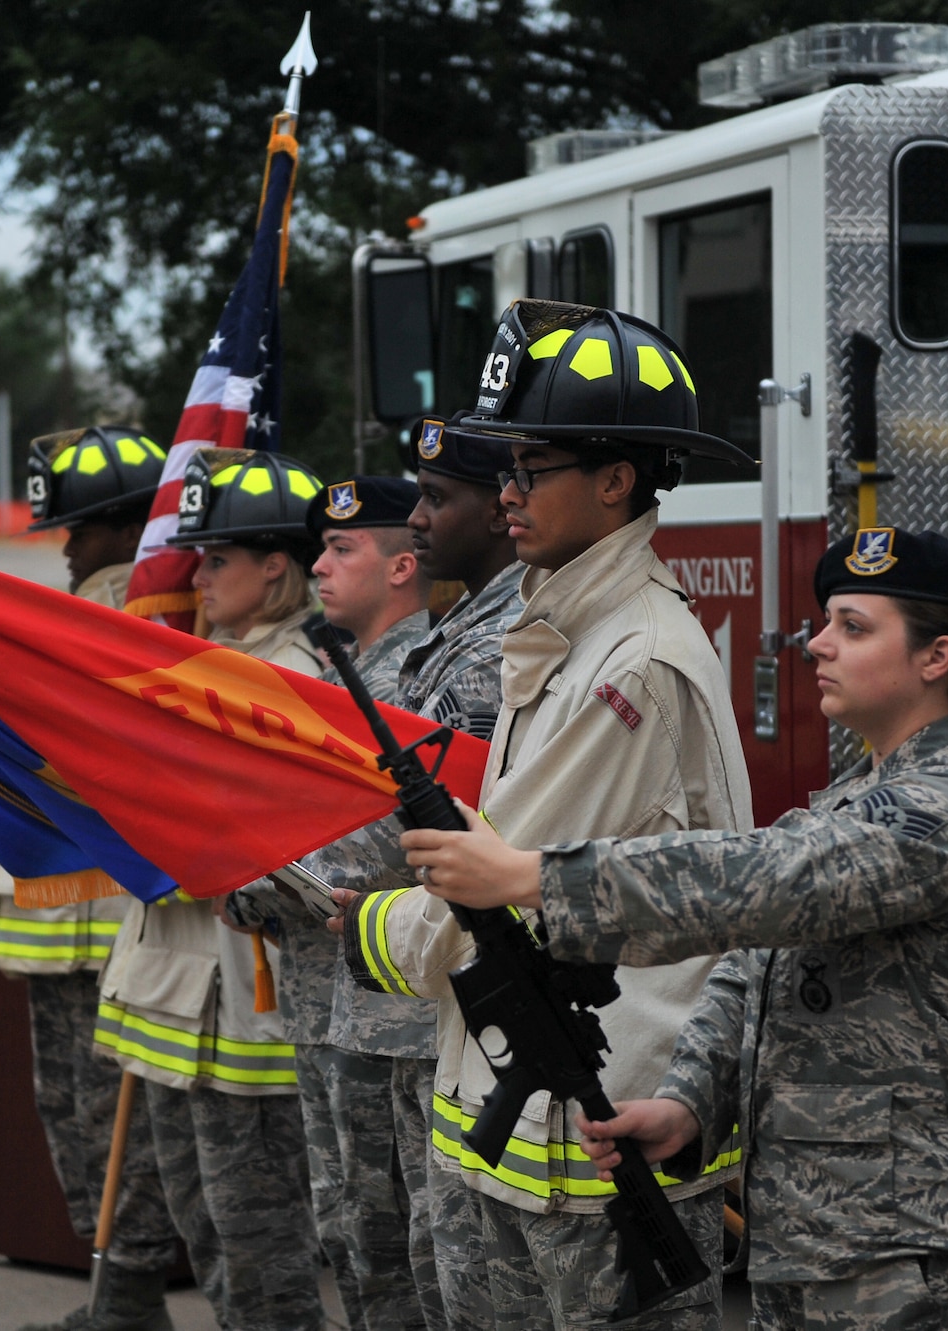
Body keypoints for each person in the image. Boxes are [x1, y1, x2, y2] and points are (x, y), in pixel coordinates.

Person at [402, 529, 948, 1331]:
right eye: (828, 622)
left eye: (854, 626)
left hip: (924, 1259)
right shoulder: (861, 793)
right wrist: (690, 1102)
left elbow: (758, 881)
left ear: (937, 656)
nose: (817, 644)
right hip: (828, 1246)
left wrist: (532, 877)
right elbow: (754, 966)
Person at [340, 302, 756, 1329]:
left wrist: (353, 926)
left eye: (533, 468)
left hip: (600, 1148)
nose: (507, 492)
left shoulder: (632, 663)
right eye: (506, 467)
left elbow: (494, 879)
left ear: (615, 481)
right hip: (523, 1134)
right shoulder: (563, 624)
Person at [0, 426, 180, 1331]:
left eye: (80, 530)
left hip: (124, 937)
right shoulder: (59, 625)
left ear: (133, 528)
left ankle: (129, 1306)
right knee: (79, 1133)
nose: (63, 546)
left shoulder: (150, 635)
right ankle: (117, 1306)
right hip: (50, 942)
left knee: (128, 1144)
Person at [94, 449, 328, 1331]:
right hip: (177, 994)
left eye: (218, 557)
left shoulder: (297, 673)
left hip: (245, 1007)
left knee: (260, 1241)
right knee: (208, 1226)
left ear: (277, 565)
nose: (198, 573)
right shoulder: (207, 661)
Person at [307, 419, 527, 1331]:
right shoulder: (455, 638)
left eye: (441, 498)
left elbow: (408, 824)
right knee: (392, 1247)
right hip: (389, 984)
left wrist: (280, 865)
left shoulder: (486, 650)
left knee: (441, 1267)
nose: (425, 515)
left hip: (431, 992)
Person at [221, 475, 433, 1330]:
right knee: (349, 1227)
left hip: (393, 1011)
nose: (319, 565)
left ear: (402, 566)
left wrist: (248, 879)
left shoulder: (417, 676)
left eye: (343, 549)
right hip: (330, 999)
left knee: (401, 1246)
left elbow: (380, 836)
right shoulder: (340, 680)